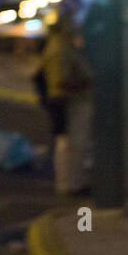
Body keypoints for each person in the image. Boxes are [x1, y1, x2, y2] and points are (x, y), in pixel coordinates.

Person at [41, 10, 93, 195]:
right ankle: (71, 184)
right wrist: (89, 82)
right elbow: (60, 82)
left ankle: (72, 182)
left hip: (71, 102)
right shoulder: (59, 48)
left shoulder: (63, 45)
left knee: (71, 145)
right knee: (71, 145)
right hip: (71, 103)